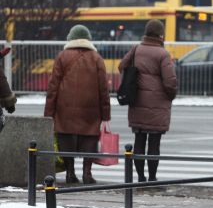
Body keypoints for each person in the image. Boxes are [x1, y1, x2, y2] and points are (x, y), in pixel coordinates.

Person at [44, 25, 111, 184]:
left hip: (64, 107)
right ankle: (87, 173)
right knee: (90, 138)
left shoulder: (62, 56)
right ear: (88, 39)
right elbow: (104, 89)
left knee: (65, 138)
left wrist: (49, 113)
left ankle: (70, 173)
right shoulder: (96, 58)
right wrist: (106, 114)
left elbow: (53, 87)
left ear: (71, 38)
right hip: (91, 108)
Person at [119, 19, 177, 182]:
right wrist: (170, 96)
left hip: (137, 101)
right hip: (158, 104)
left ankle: (140, 177)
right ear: (160, 34)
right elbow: (170, 82)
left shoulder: (136, 49)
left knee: (139, 140)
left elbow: (121, 66)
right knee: (154, 143)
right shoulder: (162, 54)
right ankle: (152, 177)